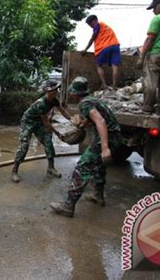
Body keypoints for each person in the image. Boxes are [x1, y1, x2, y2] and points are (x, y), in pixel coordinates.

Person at [51, 77, 122, 218]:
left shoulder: (84, 103)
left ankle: (68, 206)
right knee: (99, 166)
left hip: (109, 139)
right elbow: (94, 119)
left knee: (82, 166)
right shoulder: (92, 100)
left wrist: (105, 147)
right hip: (116, 136)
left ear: (75, 93)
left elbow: (100, 120)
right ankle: (98, 196)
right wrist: (82, 125)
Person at [11, 79, 72, 183]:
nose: (57, 92)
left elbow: (63, 111)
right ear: (48, 91)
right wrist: (57, 133)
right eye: (55, 90)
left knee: (48, 142)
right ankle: (14, 171)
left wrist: (72, 120)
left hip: (38, 121)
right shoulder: (41, 104)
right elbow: (46, 123)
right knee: (24, 145)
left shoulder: (54, 100)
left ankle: (51, 168)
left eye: (57, 89)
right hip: (28, 122)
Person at [82, 15, 121, 89]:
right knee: (115, 66)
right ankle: (114, 85)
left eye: (90, 24)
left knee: (98, 65)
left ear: (95, 20)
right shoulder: (105, 26)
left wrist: (85, 49)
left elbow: (92, 39)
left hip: (103, 47)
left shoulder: (97, 25)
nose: (91, 26)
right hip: (115, 45)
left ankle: (104, 85)